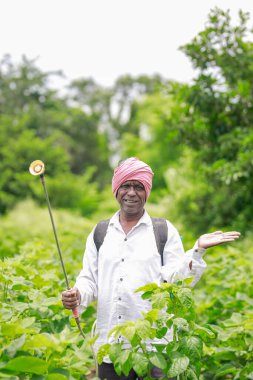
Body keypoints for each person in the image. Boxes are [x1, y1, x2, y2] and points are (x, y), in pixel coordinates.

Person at [62, 157, 240, 380]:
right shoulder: (100, 232)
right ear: (116, 189)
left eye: (138, 187)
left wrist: (198, 250)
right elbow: (89, 279)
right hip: (112, 347)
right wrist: (77, 295)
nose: (131, 193)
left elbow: (178, 281)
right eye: (126, 185)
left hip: (155, 346)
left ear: (147, 191)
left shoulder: (163, 231)